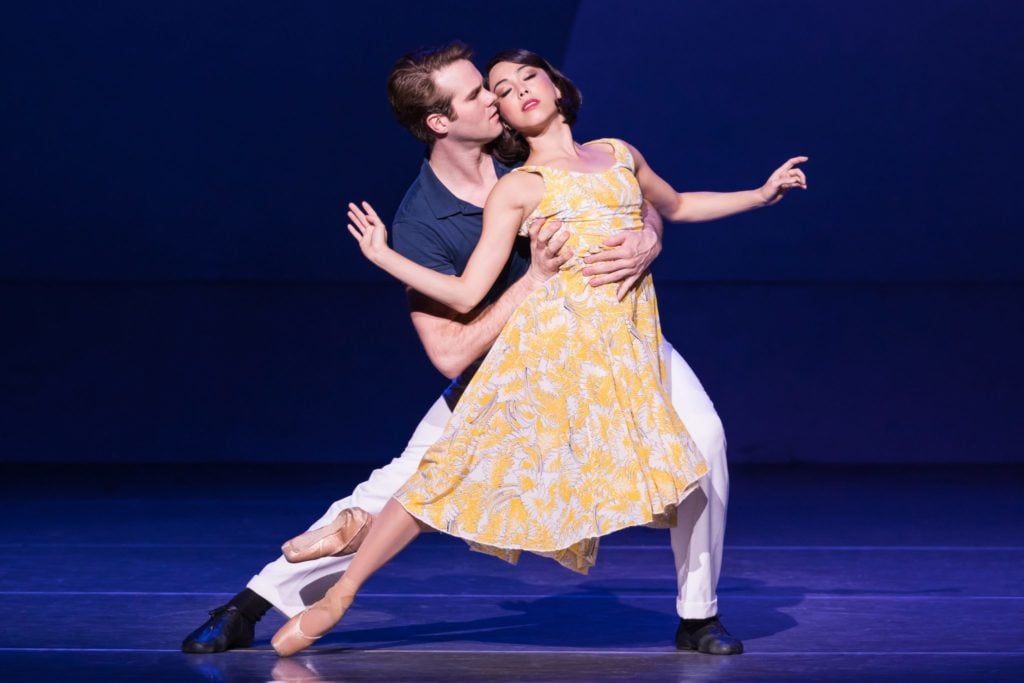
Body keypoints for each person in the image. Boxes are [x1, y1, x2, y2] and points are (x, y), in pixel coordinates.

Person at [179, 42, 717, 654]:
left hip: (613, 341)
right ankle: (249, 606)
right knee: (400, 487)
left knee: (707, 444)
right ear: (440, 122)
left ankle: (699, 615)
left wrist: (650, 235)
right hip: (503, 374)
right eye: (476, 94)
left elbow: (630, 189)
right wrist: (531, 286)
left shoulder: (520, 143)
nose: (497, 96)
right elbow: (451, 355)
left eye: (493, 87)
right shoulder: (423, 226)